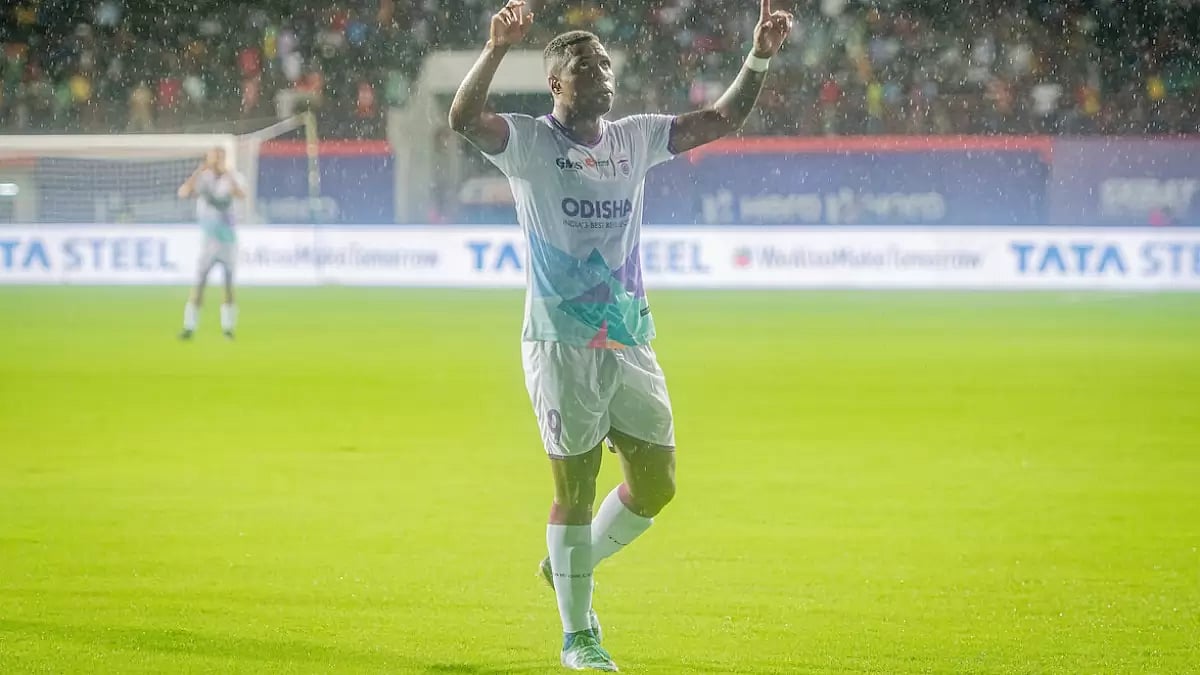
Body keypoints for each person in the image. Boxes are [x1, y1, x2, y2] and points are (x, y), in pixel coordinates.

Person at [448, 0, 793, 670]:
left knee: (658, 482)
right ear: (555, 83)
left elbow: (723, 117)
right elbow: (462, 120)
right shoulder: (528, 143)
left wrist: (760, 55)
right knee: (574, 493)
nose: (602, 71)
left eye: (605, 61)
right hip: (561, 344)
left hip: (629, 336)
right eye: (585, 64)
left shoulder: (634, 138)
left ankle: (568, 566)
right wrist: (495, 50)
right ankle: (579, 635)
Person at [177, 147, 246, 340]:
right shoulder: (203, 177)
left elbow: (241, 195)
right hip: (208, 239)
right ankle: (189, 327)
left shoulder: (233, 177)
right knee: (199, 283)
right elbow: (183, 192)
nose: (217, 161)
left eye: (220, 157)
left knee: (228, 284)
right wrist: (199, 171)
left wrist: (228, 174)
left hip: (227, 239)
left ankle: (228, 328)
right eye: (214, 157)